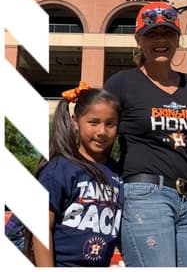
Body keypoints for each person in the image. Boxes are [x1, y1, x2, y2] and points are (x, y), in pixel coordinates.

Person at [104, 2, 187, 267]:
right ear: (138, 40)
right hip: (145, 194)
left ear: (178, 39)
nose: (160, 40)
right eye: (152, 34)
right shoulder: (122, 83)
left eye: (167, 33)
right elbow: (101, 134)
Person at [32, 83, 123, 266]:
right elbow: (41, 228)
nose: (102, 132)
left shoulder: (118, 173)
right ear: (75, 122)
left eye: (110, 124)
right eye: (93, 122)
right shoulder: (60, 168)